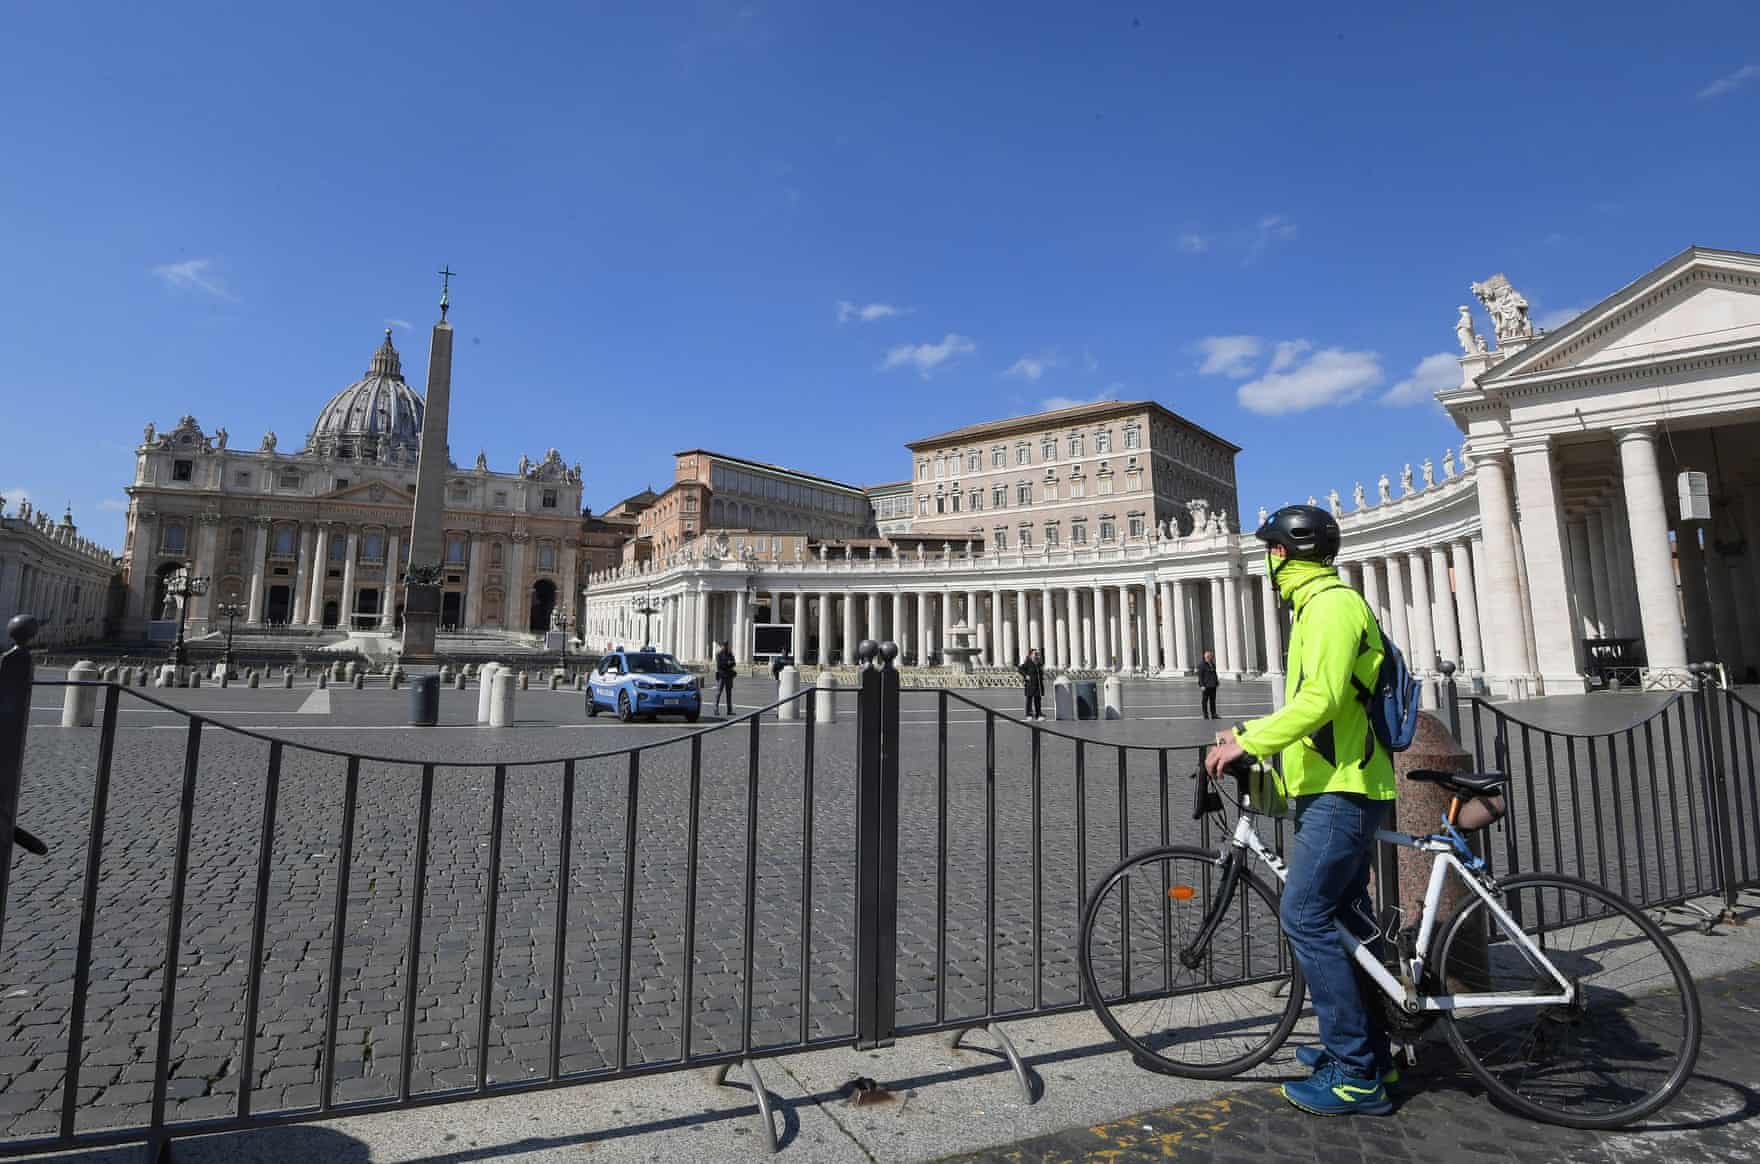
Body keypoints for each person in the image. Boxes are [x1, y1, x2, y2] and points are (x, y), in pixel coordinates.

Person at [1204, 504, 1397, 1117]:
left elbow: (1323, 697)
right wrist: (1250, 735)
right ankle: (1375, 1054)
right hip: (1335, 786)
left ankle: (1353, 1073)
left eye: (1271, 551)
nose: (1268, 561)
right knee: (1345, 921)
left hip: (1344, 792)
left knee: (1306, 916)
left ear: (1283, 554)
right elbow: (1323, 709)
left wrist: (1249, 741)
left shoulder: (1331, 607)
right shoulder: (1319, 607)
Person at [1017, 647, 1045, 720]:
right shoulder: (1028, 662)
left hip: (1038, 684)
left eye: (1037, 654)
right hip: (1030, 684)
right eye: (1035, 654)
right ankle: (1028, 714)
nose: (1036, 655)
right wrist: (1026, 675)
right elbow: (1020, 669)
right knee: (1029, 700)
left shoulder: (1039, 663)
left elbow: (1040, 673)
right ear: (1031, 655)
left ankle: (1038, 714)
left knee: (1037, 700)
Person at [714, 641, 737, 716]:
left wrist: (728, 663)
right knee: (718, 693)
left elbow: (734, 663)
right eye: (724, 646)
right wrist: (728, 663)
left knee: (729, 694)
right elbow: (720, 665)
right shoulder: (719, 654)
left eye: (727, 645)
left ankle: (729, 710)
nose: (726, 647)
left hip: (729, 676)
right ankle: (716, 709)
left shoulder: (729, 653)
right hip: (722, 676)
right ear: (722, 646)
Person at [1197, 649, 1219, 720]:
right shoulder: (1202, 665)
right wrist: (1201, 685)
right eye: (1209, 656)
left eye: (1211, 656)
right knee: (1204, 701)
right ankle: (1205, 715)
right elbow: (1200, 676)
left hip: (1213, 685)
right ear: (1205, 656)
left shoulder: (1212, 664)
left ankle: (1214, 714)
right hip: (1206, 686)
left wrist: (1216, 682)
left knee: (1213, 701)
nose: (1210, 657)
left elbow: (1214, 673)